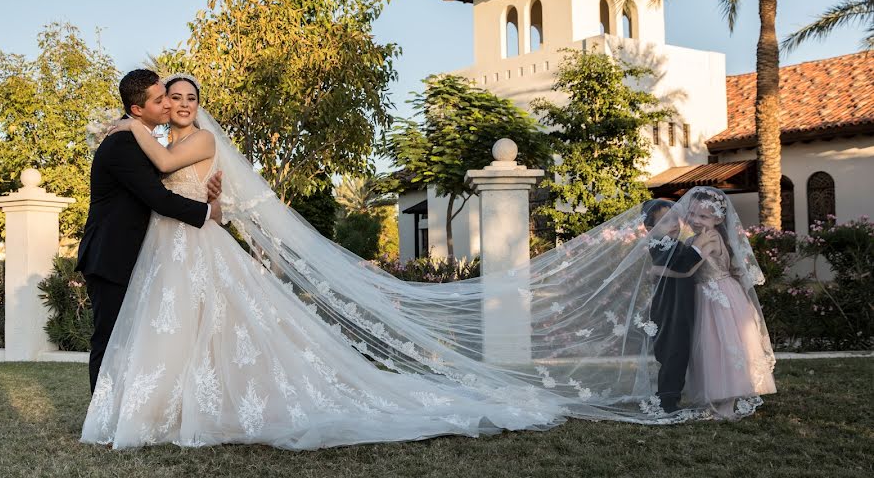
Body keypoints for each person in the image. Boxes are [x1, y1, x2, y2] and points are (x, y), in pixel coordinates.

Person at [81, 73, 777, 450]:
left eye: (188, 98)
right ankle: (169, 408)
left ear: (197, 108)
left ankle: (187, 410)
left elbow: (171, 166)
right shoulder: (164, 138)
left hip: (194, 243)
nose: (179, 105)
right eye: (171, 99)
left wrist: (127, 128)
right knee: (185, 328)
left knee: (207, 322)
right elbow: (181, 189)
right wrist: (158, 153)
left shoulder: (190, 141)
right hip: (171, 247)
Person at [76, 69, 223, 393]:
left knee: (133, 336)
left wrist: (210, 193)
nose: (170, 106)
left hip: (140, 254)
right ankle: (102, 417)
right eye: (162, 100)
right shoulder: (124, 142)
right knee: (110, 337)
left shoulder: (142, 140)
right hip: (111, 255)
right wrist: (208, 210)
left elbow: (169, 175)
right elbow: (158, 198)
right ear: (139, 109)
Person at [682, 187, 777, 416]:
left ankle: (726, 403)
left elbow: (687, 269)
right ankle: (712, 399)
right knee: (709, 347)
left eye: (703, 216)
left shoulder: (710, 238)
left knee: (721, 345)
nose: (695, 220)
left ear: (718, 219)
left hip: (718, 296)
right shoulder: (698, 237)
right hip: (707, 293)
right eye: (692, 213)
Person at [641, 199, 715, 413]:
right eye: (665, 221)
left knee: (678, 350)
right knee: (673, 351)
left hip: (677, 303)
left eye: (675, 219)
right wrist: (701, 246)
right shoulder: (660, 243)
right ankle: (667, 401)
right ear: (650, 228)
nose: (674, 224)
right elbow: (683, 264)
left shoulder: (671, 242)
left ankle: (669, 396)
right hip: (670, 306)